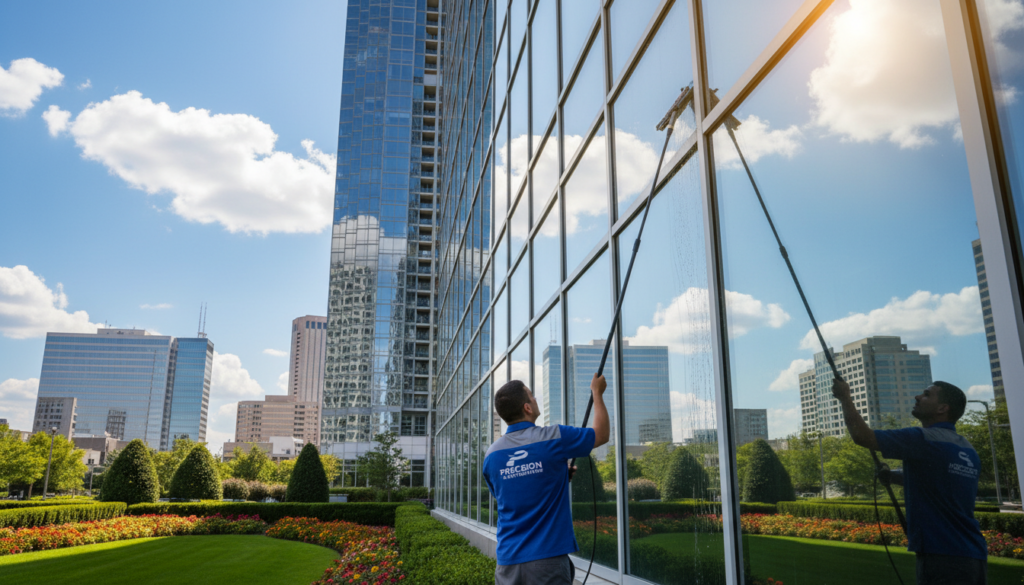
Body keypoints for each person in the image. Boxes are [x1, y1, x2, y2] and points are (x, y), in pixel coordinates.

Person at [832, 378, 988, 584]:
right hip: (972, 555)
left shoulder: (923, 438)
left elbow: (863, 436)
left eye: (926, 394)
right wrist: (893, 476)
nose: (917, 397)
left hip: (942, 555)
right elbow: (937, 482)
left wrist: (845, 398)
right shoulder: (966, 448)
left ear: (942, 408)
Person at [483, 374, 609, 585]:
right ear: (527, 408)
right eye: (532, 396)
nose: (535, 400)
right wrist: (597, 392)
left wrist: (552, 474)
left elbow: (510, 494)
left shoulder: (492, 455)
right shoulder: (554, 437)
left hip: (507, 564)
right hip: (547, 562)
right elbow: (602, 434)